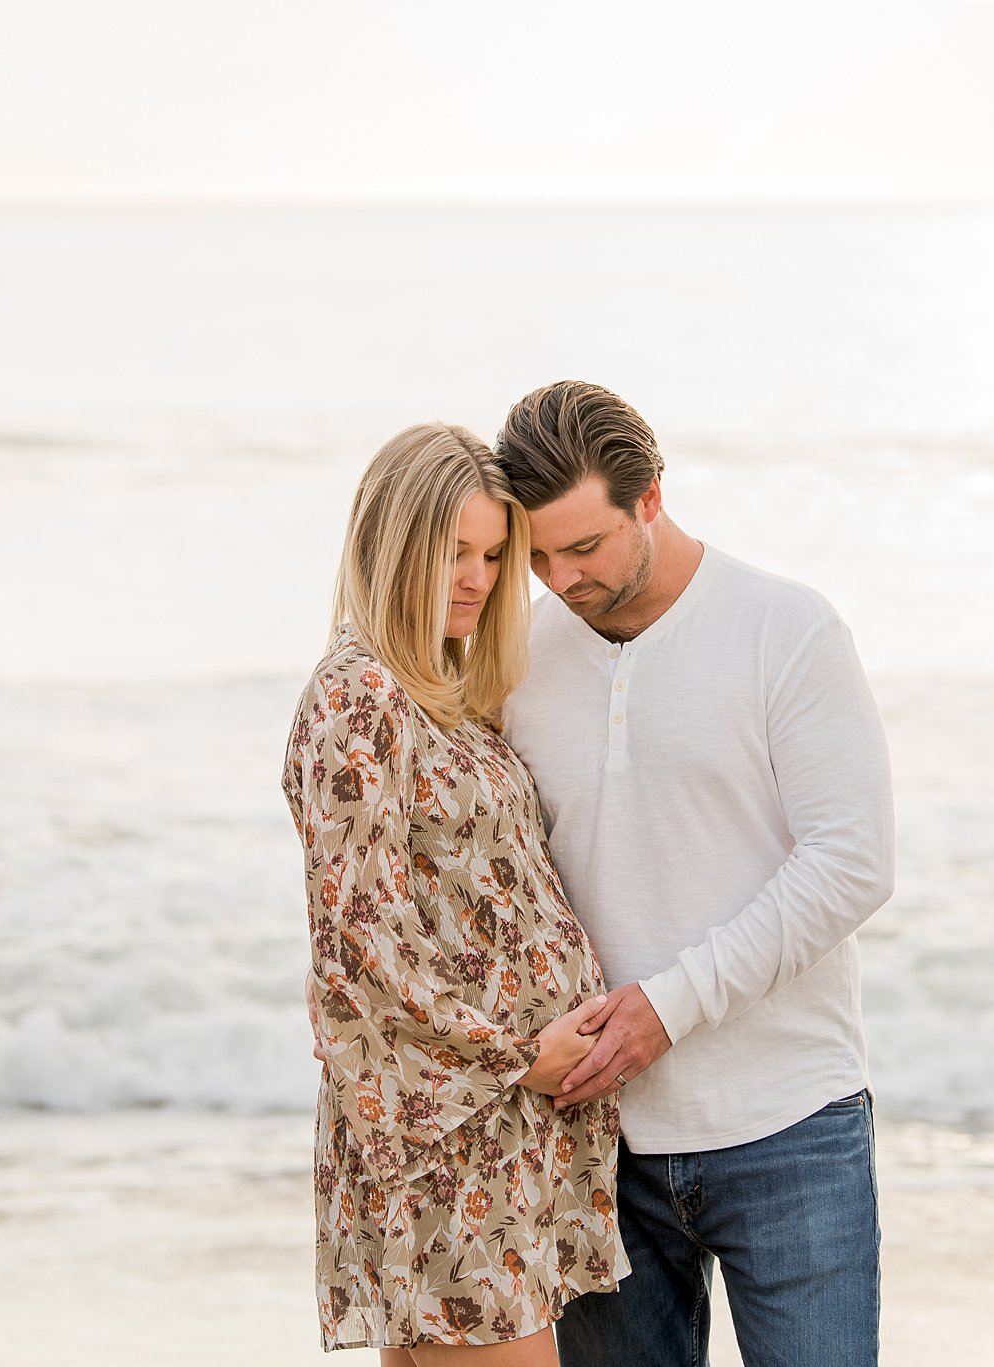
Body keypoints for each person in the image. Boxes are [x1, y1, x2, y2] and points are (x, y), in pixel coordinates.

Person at [494, 382, 896, 1367]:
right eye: (537, 555)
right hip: (593, 1140)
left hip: (788, 1122)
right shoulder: (517, 657)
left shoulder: (783, 628)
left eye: (583, 546)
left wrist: (666, 1006)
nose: (561, 577)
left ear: (650, 497)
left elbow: (852, 861)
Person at [283, 423, 629, 1364]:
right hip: (449, 1139)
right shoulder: (360, 700)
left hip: (499, 1131)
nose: (477, 578)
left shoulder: (439, 693)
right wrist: (525, 1054)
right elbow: (363, 944)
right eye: (452, 553)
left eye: (491, 555)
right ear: (391, 545)